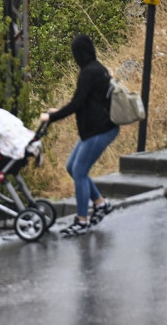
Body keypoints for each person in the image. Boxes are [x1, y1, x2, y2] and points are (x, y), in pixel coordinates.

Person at [40, 34, 119, 237]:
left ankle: (81, 221)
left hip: (99, 129)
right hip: (97, 127)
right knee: (72, 168)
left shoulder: (89, 72)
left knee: (80, 171)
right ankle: (101, 204)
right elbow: (85, 102)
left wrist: (52, 117)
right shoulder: (98, 69)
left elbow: (77, 104)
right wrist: (57, 111)